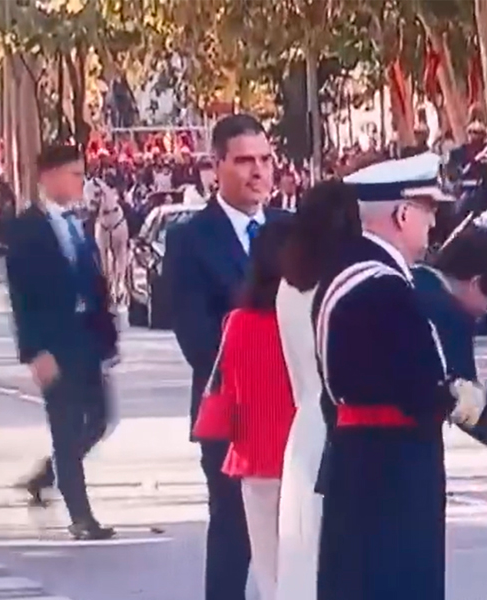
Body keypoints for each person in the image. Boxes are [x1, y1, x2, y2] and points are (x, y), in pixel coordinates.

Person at [313, 153, 487, 600]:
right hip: (393, 472)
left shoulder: (348, 275)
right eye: (428, 210)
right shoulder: (385, 289)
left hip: (359, 462)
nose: (433, 224)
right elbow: (423, 388)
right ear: (402, 213)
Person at [165, 114, 288, 600]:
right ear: (216, 166)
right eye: (244, 161)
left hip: (295, 413)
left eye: (265, 159)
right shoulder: (190, 239)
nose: (258, 171)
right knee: (233, 531)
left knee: (298, 536)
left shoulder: (291, 230)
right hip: (233, 413)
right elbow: (197, 339)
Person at [5, 144, 119, 542]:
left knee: (101, 418)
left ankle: (47, 474)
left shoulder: (78, 225)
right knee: (66, 429)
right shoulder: (26, 227)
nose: (79, 182)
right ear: (48, 177)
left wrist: (109, 338)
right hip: (54, 344)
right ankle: (81, 517)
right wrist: (34, 351)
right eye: (73, 174)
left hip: (87, 338)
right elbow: (21, 294)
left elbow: (93, 280)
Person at [194, 219, 295, 600]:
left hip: (254, 457)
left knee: (270, 573)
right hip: (303, 455)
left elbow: (231, 388)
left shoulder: (237, 323)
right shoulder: (308, 317)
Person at [275, 180, 361, 600]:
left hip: (304, 424)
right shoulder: (345, 286)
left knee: (301, 558)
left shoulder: (289, 284)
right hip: (339, 425)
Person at [411, 230, 487, 452]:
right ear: (476, 283)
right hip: (410, 443)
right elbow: (466, 398)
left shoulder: (409, 277)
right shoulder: (451, 315)